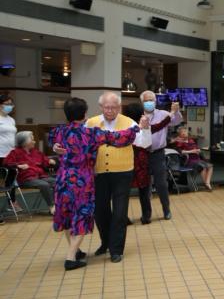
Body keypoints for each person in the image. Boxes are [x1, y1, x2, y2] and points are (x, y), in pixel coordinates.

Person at [49, 97, 142, 270]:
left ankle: (75, 251)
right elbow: (119, 138)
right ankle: (71, 258)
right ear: (85, 114)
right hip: (82, 179)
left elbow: (52, 141)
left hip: (63, 178)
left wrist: (55, 147)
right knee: (81, 215)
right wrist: (137, 128)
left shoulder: (58, 131)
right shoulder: (90, 133)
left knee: (67, 214)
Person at [85, 92, 151, 263]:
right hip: (99, 173)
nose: (110, 110)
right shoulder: (91, 123)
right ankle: (105, 242)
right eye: (107, 107)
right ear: (101, 107)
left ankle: (116, 249)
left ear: (119, 107)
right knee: (100, 211)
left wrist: (145, 128)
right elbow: (80, 145)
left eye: (114, 107)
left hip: (123, 172)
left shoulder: (128, 122)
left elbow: (144, 143)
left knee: (120, 212)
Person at [122, 102, 172, 225]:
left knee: (123, 192)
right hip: (142, 162)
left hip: (126, 162)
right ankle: (146, 216)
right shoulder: (145, 126)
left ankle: (124, 218)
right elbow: (160, 125)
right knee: (144, 191)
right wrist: (171, 114)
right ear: (140, 114)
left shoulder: (124, 128)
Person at [140, 91, 182, 220]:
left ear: (156, 101)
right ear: (142, 102)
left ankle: (166, 209)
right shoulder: (137, 115)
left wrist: (176, 111)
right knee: (144, 185)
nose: (149, 102)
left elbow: (176, 121)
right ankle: (146, 214)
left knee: (161, 184)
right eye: (147, 100)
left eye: (151, 100)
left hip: (158, 154)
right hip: (142, 155)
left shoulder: (162, 114)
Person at [4, 131, 57, 215]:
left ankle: (59, 205)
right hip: (26, 179)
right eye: (32, 140)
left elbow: (44, 160)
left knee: (57, 182)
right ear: (24, 142)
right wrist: (18, 166)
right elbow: (6, 163)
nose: (34, 141)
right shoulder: (15, 153)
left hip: (40, 176)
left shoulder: (35, 152)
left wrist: (49, 161)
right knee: (44, 184)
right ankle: (52, 207)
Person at [173, 126, 213, 191]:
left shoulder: (191, 140)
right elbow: (180, 152)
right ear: (180, 134)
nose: (184, 133)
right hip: (189, 161)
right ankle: (206, 184)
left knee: (210, 166)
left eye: (185, 131)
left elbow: (196, 148)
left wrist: (198, 150)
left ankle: (207, 183)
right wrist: (191, 151)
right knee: (202, 167)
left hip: (197, 159)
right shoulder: (179, 142)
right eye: (182, 132)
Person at [0, 94, 18, 221]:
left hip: (10, 154)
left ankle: (11, 202)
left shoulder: (11, 120)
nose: (9, 106)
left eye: (11, 104)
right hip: (0, 154)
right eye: (7, 103)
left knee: (11, 180)